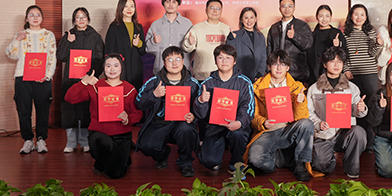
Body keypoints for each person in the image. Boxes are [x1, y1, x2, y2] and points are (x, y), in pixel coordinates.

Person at [64, 54, 143, 179]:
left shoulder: (129, 89)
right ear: (103, 68)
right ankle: (103, 160)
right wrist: (83, 82)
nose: (112, 69)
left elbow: (138, 113)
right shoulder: (95, 86)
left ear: (121, 68)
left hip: (122, 135)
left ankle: (123, 157)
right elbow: (70, 98)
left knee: (115, 174)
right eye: (108, 66)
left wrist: (128, 119)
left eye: (116, 65)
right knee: (100, 142)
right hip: (99, 133)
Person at [245, 50, 314, 181]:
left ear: (288, 67)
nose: (279, 68)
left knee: (307, 124)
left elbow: (301, 119)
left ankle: (300, 164)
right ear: (269, 66)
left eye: (283, 64)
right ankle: (280, 159)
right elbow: (252, 115)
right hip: (268, 131)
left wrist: (300, 103)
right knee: (256, 160)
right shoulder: (257, 87)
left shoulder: (297, 87)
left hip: (288, 129)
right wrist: (263, 122)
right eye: (275, 64)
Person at [135, 46, 200, 177]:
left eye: (177, 59)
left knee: (186, 130)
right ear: (164, 63)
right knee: (146, 146)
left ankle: (186, 162)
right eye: (170, 60)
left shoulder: (192, 83)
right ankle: (162, 155)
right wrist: (154, 95)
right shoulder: (155, 81)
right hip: (159, 123)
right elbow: (138, 103)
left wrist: (194, 116)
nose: (174, 63)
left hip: (182, 123)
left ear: (183, 61)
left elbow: (200, 107)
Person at [307, 47, 368, 178]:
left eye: (340, 62)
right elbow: (309, 112)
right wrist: (318, 123)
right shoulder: (314, 89)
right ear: (324, 64)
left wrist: (360, 108)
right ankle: (330, 159)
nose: (336, 65)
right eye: (332, 61)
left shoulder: (352, 88)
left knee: (359, 132)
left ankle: (351, 167)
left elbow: (357, 111)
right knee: (320, 165)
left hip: (344, 132)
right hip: (324, 134)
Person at [194, 44, 255, 171]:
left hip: (236, 126)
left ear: (235, 61)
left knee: (238, 135)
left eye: (228, 58)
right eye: (220, 57)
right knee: (209, 161)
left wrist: (239, 122)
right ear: (215, 61)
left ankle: (236, 165)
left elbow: (248, 107)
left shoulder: (244, 82)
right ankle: (213, 155)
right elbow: (201, 115)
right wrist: (201, 101)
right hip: (214, 128)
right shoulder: (207, 83)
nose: (224, 61)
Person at [6, 5, 56, 154]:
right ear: (27, 19)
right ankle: (28, 140)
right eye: (31, 15)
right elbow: (11, 55)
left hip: (42, 78)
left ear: (42, 18)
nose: (35, 18)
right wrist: (17, 39)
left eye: (38, 15)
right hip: (23, 77)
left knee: (43, 110)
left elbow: (52, 57)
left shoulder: (49, 35)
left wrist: (47, 75)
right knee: (24, 110)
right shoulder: (22, 34)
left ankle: (41, 140)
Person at [56, 7, 104, 153]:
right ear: (74, 20)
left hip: (87, 79)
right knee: (69, 110)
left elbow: (99, 58)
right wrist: (68, 42)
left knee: (85, 110)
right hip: (70, 79)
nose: (81, 20)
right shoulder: (69, 35)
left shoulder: (95, 37)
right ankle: (71, 142)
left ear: (88, 19)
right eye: (78, 17)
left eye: (84, 17)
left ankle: (84, 141)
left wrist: (92, 75)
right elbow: (61, 56)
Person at [342, 4, 381, 152]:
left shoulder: (370, 31)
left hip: (369, 73)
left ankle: (370, 143)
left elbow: (372, 53)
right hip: (353, 74)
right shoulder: (345, 33)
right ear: (351, 16)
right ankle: (357, 141)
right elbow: (343, 54)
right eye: (356, 14)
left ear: (366, 17)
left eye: (362, 14)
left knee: (369, 106)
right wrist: (346, 69)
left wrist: (378, 44)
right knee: (355, 106)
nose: (359, 17)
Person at [266, 0, 313, 84]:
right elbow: (269, 49)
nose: (287, 9)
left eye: (290, 6)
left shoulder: (302, 25)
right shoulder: (274, 28)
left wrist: (295, 36)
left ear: (294, 8)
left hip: (296, 73)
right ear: (280, 8)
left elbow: (308, 45)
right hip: (277, 73)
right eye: (284, 6)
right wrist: (268, 69)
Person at [145, 0, 193, 76]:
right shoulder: (156, 25)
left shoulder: (187, 24)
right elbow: (148, 49)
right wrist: (154, 42)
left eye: (174, 2)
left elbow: (192, 50)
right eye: (167, 1)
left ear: (178, 4)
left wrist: (190, 43)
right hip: (161, 69)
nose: (170, 5)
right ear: (163, 4)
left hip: (182, 70)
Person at [182, 0, 231, 81]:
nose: (215, 11)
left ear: (221, 11)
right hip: (201, 75)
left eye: (218, 8)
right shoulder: (197, 28)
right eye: (211, 8)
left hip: (222, 75)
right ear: (206, 10)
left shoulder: (227, 29)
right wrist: (189, 43)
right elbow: (186, 49)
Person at [105, 0, 146, 91]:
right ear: (121, 8)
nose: (129, 9)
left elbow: (143, 51)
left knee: (135, 94)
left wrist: (138, 43)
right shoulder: (114, 27)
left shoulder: (138, 27)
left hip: (136, 68)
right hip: (120, 68)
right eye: (126, 6)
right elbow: (109, 50)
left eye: (132, 6)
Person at [307, 4, 346, 85]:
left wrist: (337, 46)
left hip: (333, 75)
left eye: (327, 16)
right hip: (315, 74)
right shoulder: (312, 35)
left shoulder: (337, 33)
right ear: (317, 17)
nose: (324, 19)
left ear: (331, 17)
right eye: (321, 16)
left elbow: (345, 53)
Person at [226, 7, 267, 82]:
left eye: (251, 17)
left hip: (256, 76)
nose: (249, 21)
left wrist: (260, 73)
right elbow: (230, 54)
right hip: (239, 76)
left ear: (255, 19)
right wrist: (230, 40)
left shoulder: (260, 36)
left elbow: (263, 57)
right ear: (241, 20)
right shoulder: (236, 35)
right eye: (246, 18)